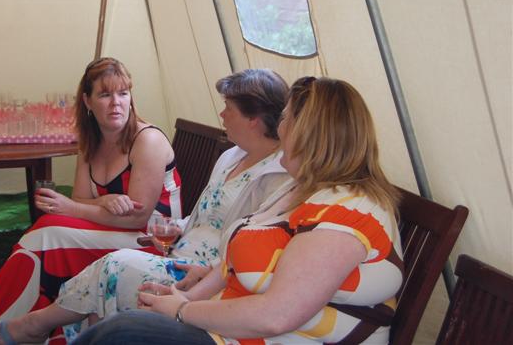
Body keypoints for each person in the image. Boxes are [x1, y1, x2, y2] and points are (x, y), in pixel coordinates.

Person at [71, 77, 404, 345]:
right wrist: (192, 292)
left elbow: (277, 315)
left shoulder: (347, 213)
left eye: (285, 118)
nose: (279, 128)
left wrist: (182, 310)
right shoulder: (302, 190)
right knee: (122, 327)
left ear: (309, 133)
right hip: (237, 327)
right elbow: (237, 261)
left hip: (265, 336)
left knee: (123, 332)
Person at [0, 69, 293, 344]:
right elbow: (205, 217)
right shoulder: (231, 156)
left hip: (203, 274)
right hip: (177, 250)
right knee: (60, 236)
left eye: (228, 108)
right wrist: (175, 227)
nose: (221, 115)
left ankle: (34, 324)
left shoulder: (277, 175)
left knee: (115, 264)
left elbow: (252, 247)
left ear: (253, 118)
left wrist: (207, 271)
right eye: (105, 95)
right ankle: (34, 324)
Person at [0, 57, 182, 341]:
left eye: (123, 93)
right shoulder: (91, 140)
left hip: (154, 241)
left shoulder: (147, 140)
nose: (116, 103)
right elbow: (81, 198)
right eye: (105, 94)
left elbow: (137, 217)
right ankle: (7, 320)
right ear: (88, 101)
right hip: (117, 229)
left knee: (48, 233)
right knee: (48, 230)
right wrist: (102, 202)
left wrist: (72, 207)